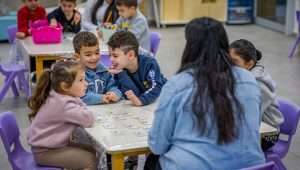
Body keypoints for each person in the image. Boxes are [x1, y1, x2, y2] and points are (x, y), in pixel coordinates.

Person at [146, 17, 265, 170]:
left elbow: (157, 145)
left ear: (190, 46)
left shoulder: (178, 84)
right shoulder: (249, 79)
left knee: (152, 161)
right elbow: (254, 127)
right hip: (250, 166)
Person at [27, 60, 98, 170]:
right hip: (45, 153)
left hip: (47, 148)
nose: (86, 83)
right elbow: (89, 119)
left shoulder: (57, 95)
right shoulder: (65, 105)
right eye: (81, 80)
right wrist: (79, 100)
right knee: (91, 160)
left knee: (92, 150)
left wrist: (77, 99)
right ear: (65, 86)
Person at [230, 39, 284, 151]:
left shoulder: (257, 85)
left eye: (234, 62)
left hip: (268, 134)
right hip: (255, 126)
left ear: (249, 64)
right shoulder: (242, 75)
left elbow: (251, 119)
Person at [107, 31, 166, 106]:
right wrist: (121, 74)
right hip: (144, 105)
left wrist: (141, 100)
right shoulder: (120, 69)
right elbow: (132, 94)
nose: (111, 59)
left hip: (163, 99)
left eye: (115, 56)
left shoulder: (149, 64)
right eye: (109, 55)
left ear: (131, 55)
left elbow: (156, 87)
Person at [73, 31, 122, 105]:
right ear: (77, 56)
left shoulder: (104, 70)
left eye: (97, 53)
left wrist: (115, 93)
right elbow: (79, 97)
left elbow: (113, 86)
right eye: (88, 55)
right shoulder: (75, 74)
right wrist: (101, 98)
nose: (94, 57)